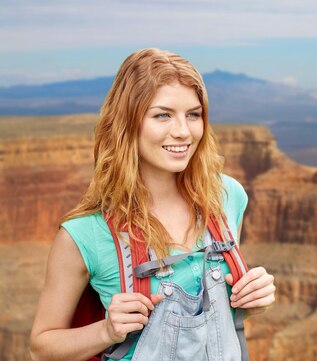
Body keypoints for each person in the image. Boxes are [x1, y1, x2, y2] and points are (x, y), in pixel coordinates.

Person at [29, 48, 275, 360]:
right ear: (128, 123)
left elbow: (217, 319)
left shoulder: (227, 196)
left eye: (193, 114)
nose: (183, 131)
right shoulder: (84, 235)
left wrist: (255, 302)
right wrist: (106, 331)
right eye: (162, 115)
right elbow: (41, 348)